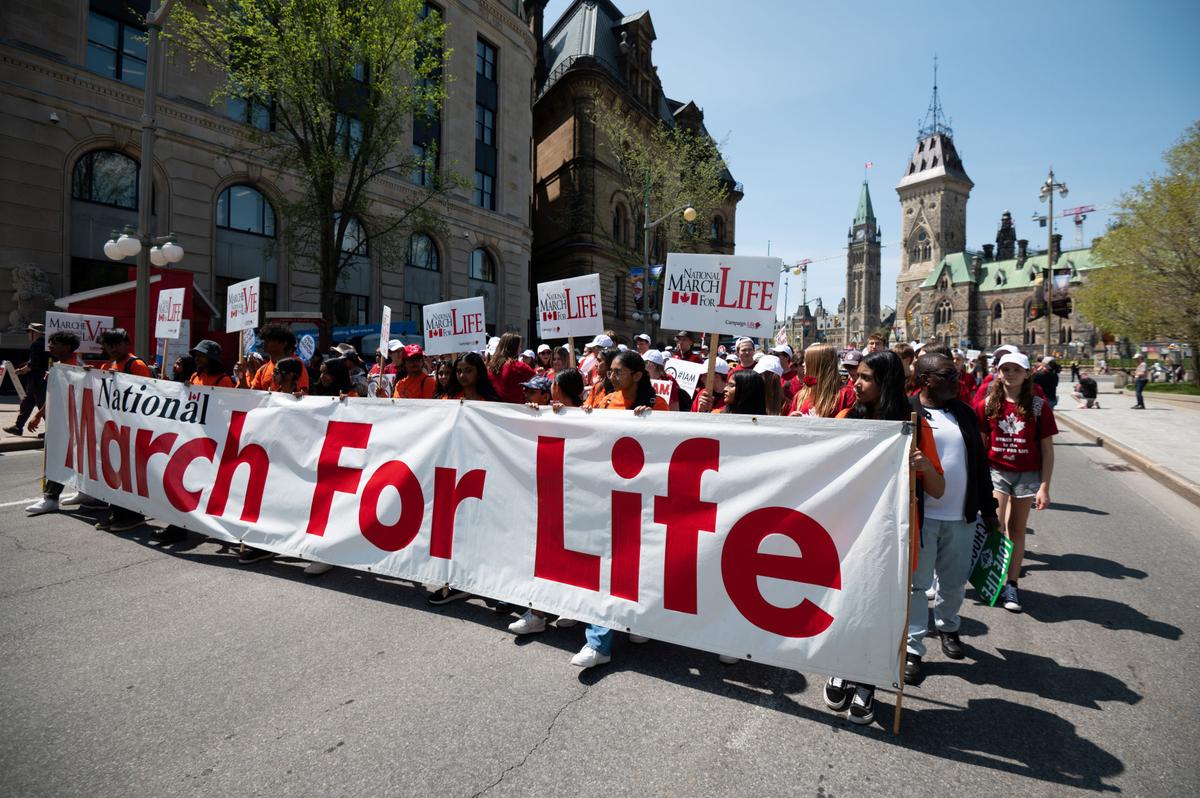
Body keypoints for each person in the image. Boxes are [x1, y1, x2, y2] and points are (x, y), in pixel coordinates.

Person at [823, 350, 943, 724]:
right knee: (845, 603)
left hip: (894, 535)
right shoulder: (845, 418)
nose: (856, 384)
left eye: (866, 378)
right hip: (849, 531)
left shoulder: (914, 425)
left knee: (880, 611)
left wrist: (922, 464)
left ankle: (869, 682)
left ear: (886, 382)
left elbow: (938, 488)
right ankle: (841, 666)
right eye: (855, 376)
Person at [904, 353, 999, 684]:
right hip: (922, 516)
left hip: (961, 515)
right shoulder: (908, 411)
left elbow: (979, 464)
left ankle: (948, 627)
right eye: (949, 376)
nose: (957, 382)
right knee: (917, 584)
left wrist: (988, 509)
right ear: (927, 380)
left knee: (954, 580)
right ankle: (914, 647)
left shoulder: (964, 413)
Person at [571, 351, 664, 668]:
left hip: (644, 500)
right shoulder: (605, 401)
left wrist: (651, 422)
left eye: (618, 372)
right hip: (607, 496)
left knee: (638, 568)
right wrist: (569, 415)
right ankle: (599, 643)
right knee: (608, 569)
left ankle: (638, 621)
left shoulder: (658, 407)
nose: (611, 376)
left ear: (638, 375)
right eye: (609, 372)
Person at [977, 351, 1057, 613]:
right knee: (996, 525)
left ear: (1026, 374)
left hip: (1026, 474)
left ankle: (1012, 582)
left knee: (1017, 528)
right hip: (997, 471)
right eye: (1005, 369)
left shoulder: (1037, 406)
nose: (1010, 374)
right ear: (999, 373)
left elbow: (1047, 450)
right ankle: (995, 578)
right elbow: (981, 444)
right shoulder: (989, 404)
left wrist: (1044, 486)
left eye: (1016, 370)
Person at [25, 331, 85, 516]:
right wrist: (38, 415)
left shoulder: (80, 369)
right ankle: (79, 493)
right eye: (50, 342)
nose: (50, 346)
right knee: (60, 458)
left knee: (64, 458)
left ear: (67, 347)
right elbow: (54, 395)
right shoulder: (57, 366)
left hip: (75, 424)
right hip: (60, 422)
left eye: (55, 343)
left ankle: (51, 499)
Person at [236, 325, 309, 393]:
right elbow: (251, 398)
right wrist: (241, 376)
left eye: (269, 340)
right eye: (264, 340)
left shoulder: (295, 365)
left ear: (283, 343)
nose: (265, 342)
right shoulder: (262, 370)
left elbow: (303, 396)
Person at [6, 323, 49, 436]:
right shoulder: (46, 344)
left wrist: (22, 370)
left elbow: (33, 364)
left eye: (28, 332)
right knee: (27, 403)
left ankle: (51, 431)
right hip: (40, 379)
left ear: (34, 332)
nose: (27, 334)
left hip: (37, 380)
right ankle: (18, 427)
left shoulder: (36, 345)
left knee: (41, 404)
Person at [790, 343, 855, 417]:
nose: (803, 364)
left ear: (818, 365)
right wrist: (793, 419)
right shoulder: (801, 396)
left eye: (807, 360)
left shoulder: (846, 395)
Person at [487, 333, 537, 403]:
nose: (520, 349)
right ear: (514, 348)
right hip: (515, 410)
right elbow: (537, 383)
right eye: (519, 347)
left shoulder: (489, 367)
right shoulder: (518, 366)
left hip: (494, 409)